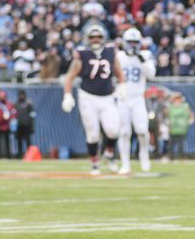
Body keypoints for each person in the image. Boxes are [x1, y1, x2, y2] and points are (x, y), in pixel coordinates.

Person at [61, 23, 126, 175]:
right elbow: (70, 76)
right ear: (87, 38)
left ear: (103, 38)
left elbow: (119, 72)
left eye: (98, 37)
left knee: (113, 130)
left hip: (108, 97)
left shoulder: (110, 52)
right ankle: (95, 162)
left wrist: (122, 85)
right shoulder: (82, 54)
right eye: (92, 37)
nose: (95, 40)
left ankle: (109, 153)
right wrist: (67, 95)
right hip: (88, 97)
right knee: (93, 133)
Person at [115, 28, 157, 174]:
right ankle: (125, 163)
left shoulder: (145, 55)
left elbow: (151, 74)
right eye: (130, 42)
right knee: (124, 132)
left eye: (135, 42)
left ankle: (144, 155)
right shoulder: (119, 56)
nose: (133, 45)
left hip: (138, 98)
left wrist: (141, 59)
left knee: (142, 130)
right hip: (122, 98)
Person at [165, 93, 195, 161]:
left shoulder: (185, 106)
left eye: (178, 98)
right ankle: (170, 157)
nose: (177, 100)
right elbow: (166, 114)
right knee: (171, 144)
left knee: (181, 144)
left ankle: (182, 157)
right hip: (173, 128)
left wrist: (190, 121)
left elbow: (191, 114)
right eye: (176, 98)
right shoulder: (170, 106)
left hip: (182, 128)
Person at [14, 90, 35, 158]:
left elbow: (32, 115)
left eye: (22, 95)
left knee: (28, 140)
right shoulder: (16, 104)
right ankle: (20, 154)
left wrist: (32, 126)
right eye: (20, 95)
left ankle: (30, 155)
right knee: (19, 140)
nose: (21, 96)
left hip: (27, 125)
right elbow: (14, 115)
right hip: (19, 125)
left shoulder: (28, 104)